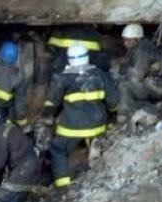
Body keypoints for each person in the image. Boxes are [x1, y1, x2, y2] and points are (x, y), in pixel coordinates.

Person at [43, 44, 118, 187]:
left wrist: (49, 115)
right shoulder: (100, 74)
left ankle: (63, 185)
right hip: (97, 124)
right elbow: (113, 101)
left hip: (73, 127)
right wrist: (113, 112)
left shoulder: (62, 78)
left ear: (69, 60)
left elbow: (52, 103)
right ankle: (94, 146)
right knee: (94, 134)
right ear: (87, 57)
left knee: (57, 149)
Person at [117, 23, 162, 126]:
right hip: (160, 84)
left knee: (124, 86)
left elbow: (136, 77)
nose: (125, 43)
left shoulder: (141, 52)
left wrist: (121, 76)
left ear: (137, 39)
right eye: (124, 39)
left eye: (128, 40)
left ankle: (124, 117)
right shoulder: (146, 46)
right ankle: (153, 106)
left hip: (157, 87)